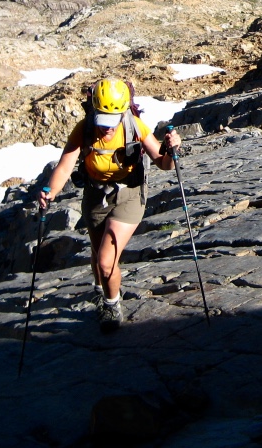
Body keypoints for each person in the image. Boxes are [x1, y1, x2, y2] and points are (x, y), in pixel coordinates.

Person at [39, 77, 180, 332]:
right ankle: (101, 288)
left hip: (129, 194)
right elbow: (65, 166)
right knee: (97, 255)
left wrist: (171, 151)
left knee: (105, 261)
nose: (107, 129)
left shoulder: (134, 125)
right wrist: (50, 192)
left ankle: (111, 305)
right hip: (95, 196)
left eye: (112, 122)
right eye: (102, 121)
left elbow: (163, 163)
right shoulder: (84, 129)